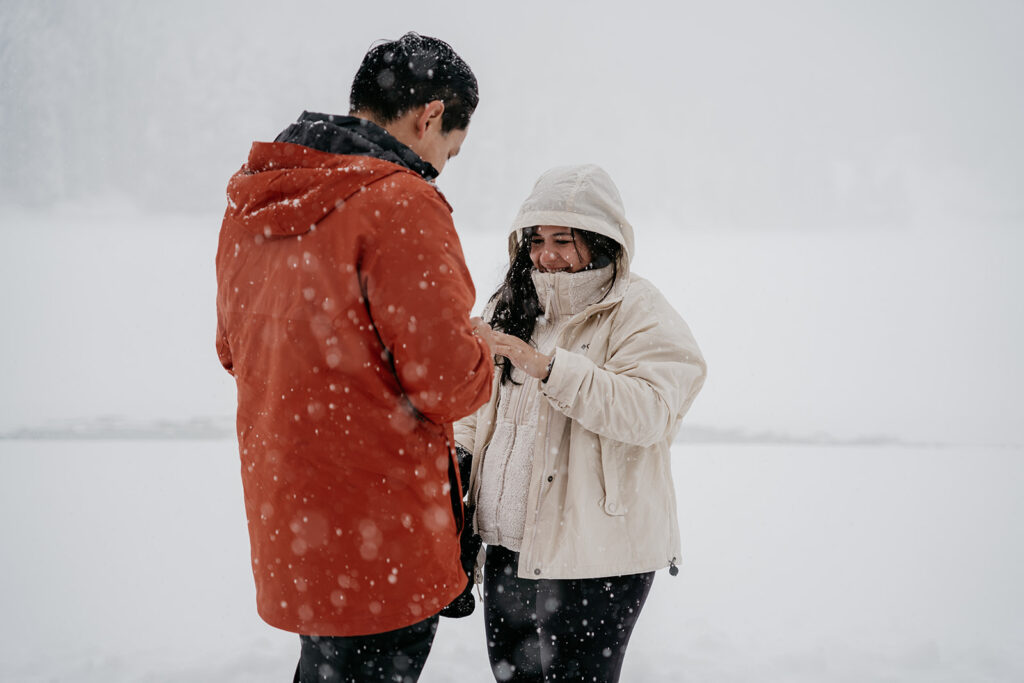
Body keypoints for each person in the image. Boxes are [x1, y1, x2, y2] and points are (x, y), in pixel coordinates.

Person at [215, 33, 493, 683]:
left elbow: (234, 349)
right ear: (430, 116)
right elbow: (449, 385)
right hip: (382, 536)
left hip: (293, 522)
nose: (441, 167)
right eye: (449, 150)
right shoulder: (401, 202)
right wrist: (481, 345)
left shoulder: (258, 198)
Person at [457, 164, 707, 682]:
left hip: (595, 556)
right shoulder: (512, 303)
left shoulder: (640, 311)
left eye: (563, 241)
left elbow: (650, 413)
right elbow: (480, 412)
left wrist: (547, 368)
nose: (545, 255)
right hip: (506, 548)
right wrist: (456, 455)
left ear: (601, 239)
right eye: (536, 240)